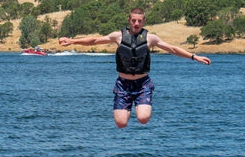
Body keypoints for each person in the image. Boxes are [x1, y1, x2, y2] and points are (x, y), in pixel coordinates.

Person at [58, 7, 211, 128]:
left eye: (139, 21)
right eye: (133, 21)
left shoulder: (150, 38)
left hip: (142, 83)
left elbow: (172, 49)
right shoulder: (117, 36)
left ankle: (140, 103)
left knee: (143, 119)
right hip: (123, 84)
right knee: (121, 123)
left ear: (144, 21)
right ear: (129, 20)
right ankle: (127, 107)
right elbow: (94, 41)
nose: (136, 24)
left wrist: (194, 56)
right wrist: (72, 41)